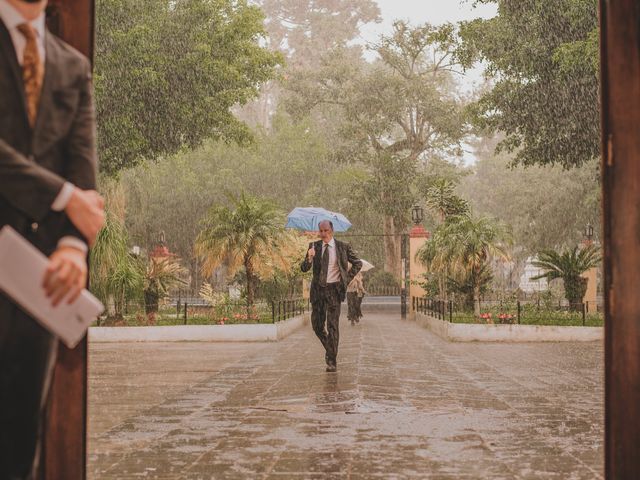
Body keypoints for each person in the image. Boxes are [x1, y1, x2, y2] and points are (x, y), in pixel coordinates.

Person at [0, 0, 104, 477]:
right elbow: (73, 194)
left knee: (21, 440)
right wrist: (62, 195)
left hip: (36, 284)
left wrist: (73, 247)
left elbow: (83, 172)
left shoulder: (72, 66)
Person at [301, 220, 362, 372]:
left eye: (326, 230)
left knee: (332, 326)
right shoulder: (313, 246)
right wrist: (309, 258)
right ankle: (330, 347)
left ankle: (331, 360)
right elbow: (303, 268)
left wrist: (346, 279)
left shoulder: (343, 247)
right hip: (318, 291)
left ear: (332, 230)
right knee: (317, 325)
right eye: (321, 231)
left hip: (334, 290)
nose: (323, 234)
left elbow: (358, 263)